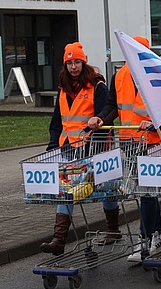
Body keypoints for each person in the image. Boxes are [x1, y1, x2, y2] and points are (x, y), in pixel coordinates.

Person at [87, 36, 161, 262]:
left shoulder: (156, 74)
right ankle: (156, 234)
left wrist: (155, 123)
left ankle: (146, 238)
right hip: (130, 142)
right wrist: (101, 118)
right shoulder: (120, 75)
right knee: (145, 192)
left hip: (153, 142)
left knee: (147, 192)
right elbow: (113, 105)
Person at [40, 42, 116, 256]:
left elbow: (106, 115)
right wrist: (53, 146)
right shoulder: (63, 89)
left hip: (94, 148)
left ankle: (113, 229)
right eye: (70, 62)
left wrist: (95, 146)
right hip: (68, 149)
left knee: (106, 188)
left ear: (84, 62)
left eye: (77, 62)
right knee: (67, 191)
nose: (74, 66)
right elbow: (57, 121)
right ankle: (59, 239)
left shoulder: (97, 86)